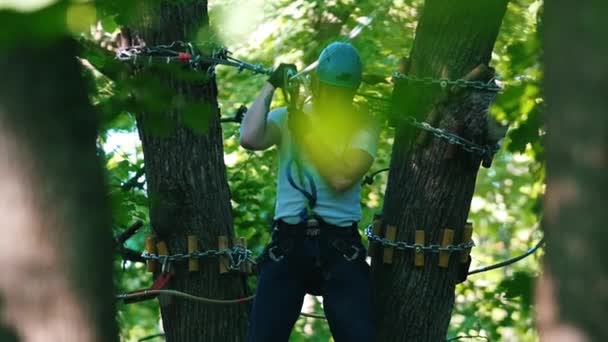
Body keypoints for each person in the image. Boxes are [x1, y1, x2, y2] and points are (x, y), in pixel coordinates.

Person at [240, 42, 378, 342]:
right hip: (289, 243)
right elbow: (249, 138)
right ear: (317, 84)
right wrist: (270, 86)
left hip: (339, 247)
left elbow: (341, 178)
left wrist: (308, 134)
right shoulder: (289, 118)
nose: (336, 98)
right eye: (330, 90)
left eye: (343, 93)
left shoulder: (362, 127)